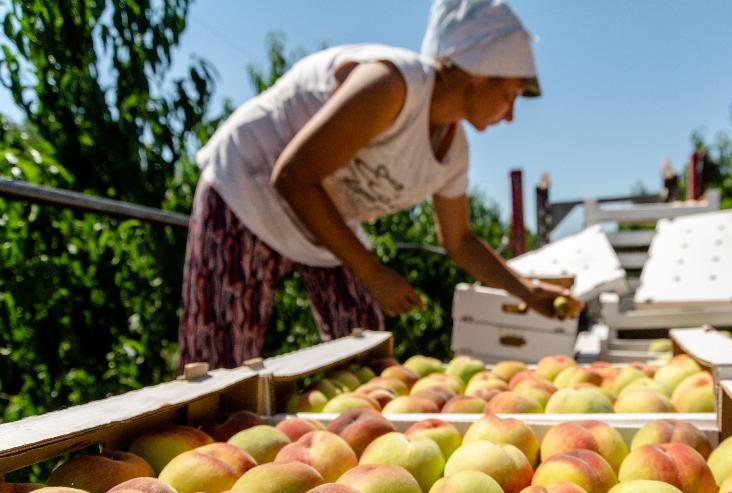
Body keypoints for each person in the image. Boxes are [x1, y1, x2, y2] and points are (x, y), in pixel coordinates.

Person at [178, 0, 574, 370]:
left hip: (322, 216)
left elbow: (460, 241)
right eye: (510, 95)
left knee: (366, 355)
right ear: (478, 70)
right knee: (218, 367)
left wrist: (527, 292)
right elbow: (294, 177)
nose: (511, 116)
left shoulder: (453, 154)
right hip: (247, 192)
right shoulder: (392, 84)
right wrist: (372, 272)